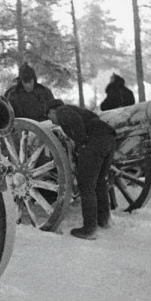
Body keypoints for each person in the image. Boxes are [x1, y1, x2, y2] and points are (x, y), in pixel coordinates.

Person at [45, 99, 116, 240]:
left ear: (52, 111)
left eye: (49, 117)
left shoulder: (62, 111)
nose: (52, 122)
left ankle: (89, 229)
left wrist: (82, 142)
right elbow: (94, 118)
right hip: (109, 139)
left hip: (94, 143)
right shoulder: (78, 109)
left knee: (86, 185)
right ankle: (104, 219)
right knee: (100, 182)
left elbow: (75, 121)